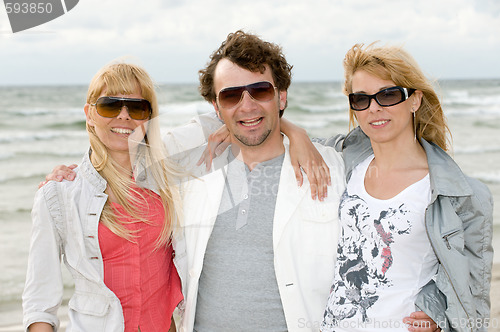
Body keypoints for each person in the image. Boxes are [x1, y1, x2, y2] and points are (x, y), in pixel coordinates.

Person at [40, 32, 440, 332]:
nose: (246, 105)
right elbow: (125, 143)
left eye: (260, 91)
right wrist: (72, 172)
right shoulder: (193, 167)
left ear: (281, 96)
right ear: (217, 107)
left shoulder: (333, 168)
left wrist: (436, 307)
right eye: (231, 96)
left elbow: (403, 235)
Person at [279, 43, 493, 331]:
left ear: (414, 100)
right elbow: (264, 134)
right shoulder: (345, 163)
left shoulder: (458, 194)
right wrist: (295, 131)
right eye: (361, 99)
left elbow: (472, 293)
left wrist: (438, 317)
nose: (374, 108)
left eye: (388, 94)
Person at [23, 62, 183, 331]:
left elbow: (224, 123)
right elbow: (40, 302)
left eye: (136, 108)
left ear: (149, 117)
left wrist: (282, 126)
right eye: (110, 105)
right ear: (89, 114)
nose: (124, 116)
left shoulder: (170, 180)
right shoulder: (59, 195)